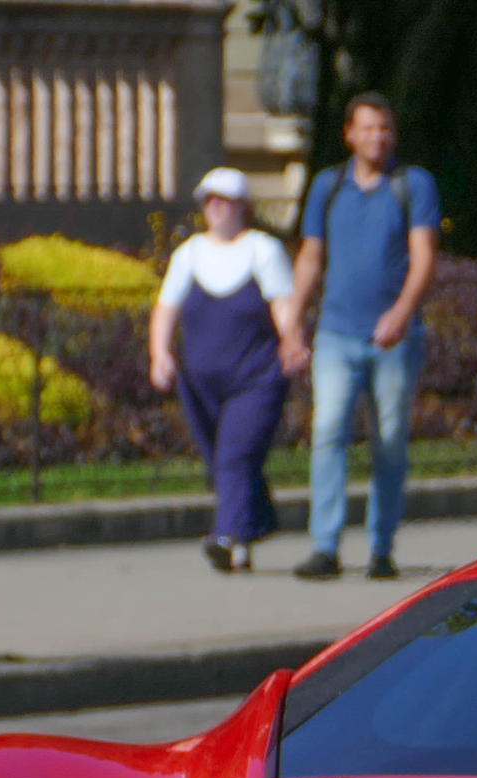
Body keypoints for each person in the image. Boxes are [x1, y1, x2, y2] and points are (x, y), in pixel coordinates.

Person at [289, 92, 439, 581]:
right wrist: (292, 321)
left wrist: (401, 313)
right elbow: (311, 256)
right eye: (368, 128)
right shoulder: (327, 187)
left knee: (389, 440)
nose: (377, 137)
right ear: (349, 134)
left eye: (385, 128)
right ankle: (325, 545)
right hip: (336, 332)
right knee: (328, 433)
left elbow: (423, 256)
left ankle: (380, 547)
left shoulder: (412, 184)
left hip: (392, 338)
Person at [149, 168, 307, 573]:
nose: (216, 208)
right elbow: (167, 308)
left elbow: (283, 304)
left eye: (225, 200)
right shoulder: (190, 253)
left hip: (254, 378)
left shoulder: (262, 250)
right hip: (201, 383)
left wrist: (292, 340)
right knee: (222, 460)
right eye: (209, 200)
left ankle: (225, 536)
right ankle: (253, 529)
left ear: (242, 206)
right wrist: (160, 354)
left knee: (234, 456)